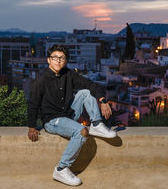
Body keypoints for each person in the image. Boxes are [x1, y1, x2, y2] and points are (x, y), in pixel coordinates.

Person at [27, 44, 117, 186]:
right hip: (52, 121)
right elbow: (33, 104)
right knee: (82, 132)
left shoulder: (68, 74)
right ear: (48, 60)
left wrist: (103, 101)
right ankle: (61, 169)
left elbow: (92, 85)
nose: (58, 61)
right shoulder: (41, 80)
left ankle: (97, 124)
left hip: (68, 115)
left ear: (66, 61)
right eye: (55, 57)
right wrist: (32, 127)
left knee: (85, 93)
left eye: (62, 58)